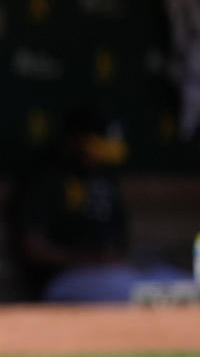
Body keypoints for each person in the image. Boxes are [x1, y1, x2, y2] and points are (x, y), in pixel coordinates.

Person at [18, 110, 190, 302]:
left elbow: (121, 238)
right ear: (74, 141)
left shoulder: (104, 176)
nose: (97, 159)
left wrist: (120, 258)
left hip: (114, 273)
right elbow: (33, 248)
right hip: (65, 278)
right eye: (94, 149)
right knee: (138, 293)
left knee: (181, 283)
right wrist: (89, 259)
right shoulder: (46, 178)